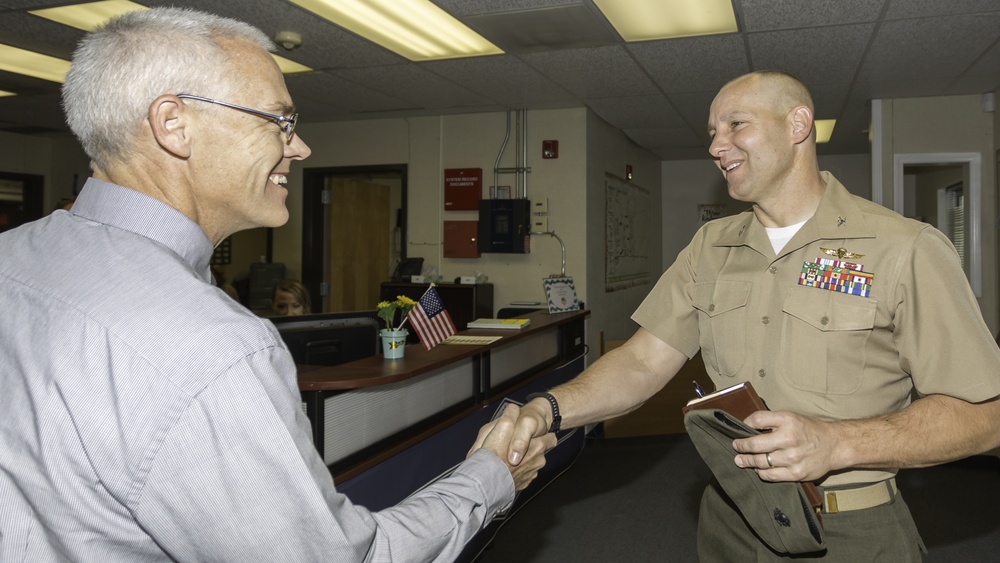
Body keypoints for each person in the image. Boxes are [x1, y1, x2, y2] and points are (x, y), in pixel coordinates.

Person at [0, 8, 554, 562]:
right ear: (174, 124)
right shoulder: (212, 346)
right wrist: (488, 477)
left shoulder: (12, 258)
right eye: (279, 121)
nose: (300, 147)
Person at [508, 70, 1000, 561]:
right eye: (712, 133)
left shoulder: (904, 248)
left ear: (798, 124)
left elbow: (985, 415)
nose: (717, 145)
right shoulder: (710, 246)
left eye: (735, 124)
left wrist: (837, 443)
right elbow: (641, 363)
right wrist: (546, 409)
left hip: (849, 529)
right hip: (732, 517)